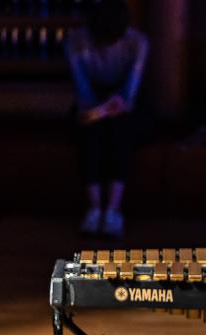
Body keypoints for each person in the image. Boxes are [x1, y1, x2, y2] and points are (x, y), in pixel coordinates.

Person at [65, 0, 148, 238]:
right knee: (88, 131)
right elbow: (82, 92)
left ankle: (113, 209)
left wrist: (119, 104)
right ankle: (94, 208)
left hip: (126, 103)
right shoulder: (75, 42)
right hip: (92, 99)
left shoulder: (138, 42)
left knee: (120, 130)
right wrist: (94, 111)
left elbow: (131, 91)